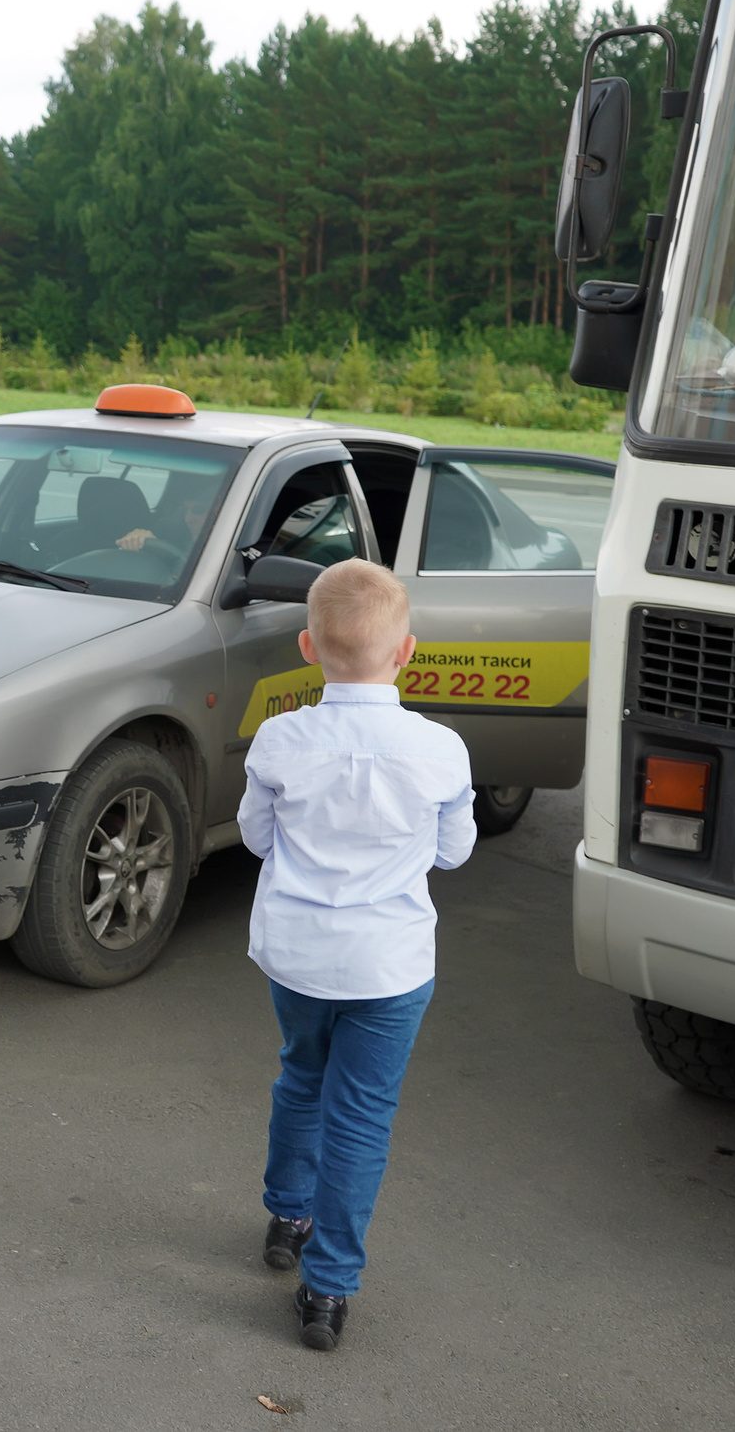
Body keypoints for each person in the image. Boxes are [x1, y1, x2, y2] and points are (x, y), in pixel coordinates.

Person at [238, 558, 475, 1351]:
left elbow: (257, 836)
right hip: (390, 964)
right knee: (361, 1117)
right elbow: (453, 852)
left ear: (309, 645)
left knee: (300, 1072)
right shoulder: (441, 748)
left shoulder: (279, 737)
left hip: (300, 953)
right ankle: (328, 1289)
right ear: (407, 651)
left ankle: (286, 1214)